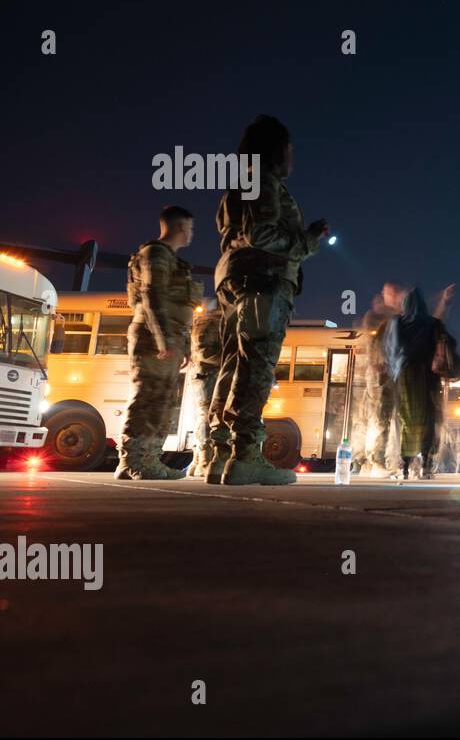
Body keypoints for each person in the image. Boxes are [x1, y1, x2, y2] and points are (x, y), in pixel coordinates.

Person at [206, 114, 328, 485]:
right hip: (264, 279)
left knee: (233, 365)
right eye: (290, 148)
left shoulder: (238, 186)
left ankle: (221, 454)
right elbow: (260, 234)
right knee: (257, 364)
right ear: (278, 150)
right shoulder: (264, 182)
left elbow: (235, 236)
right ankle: (246, 457)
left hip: (234, 279)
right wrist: (306, 241)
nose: (293, 156)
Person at [116, 205, 203, 480]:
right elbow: (152, 296)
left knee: (160, 399)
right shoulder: (156, 254)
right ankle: (138, 462)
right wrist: (163, 339)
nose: (191, 234)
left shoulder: (168, 258)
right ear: (180, 227)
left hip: (167, 336)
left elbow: (176, 306)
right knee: (150, 399)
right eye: (190, 228)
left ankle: (138, 461)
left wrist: (183, 345)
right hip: (153, 337)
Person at [385, 285, 457, 479]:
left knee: (406, 421)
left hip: (406, 378)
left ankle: (404, 467)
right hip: (428, 378)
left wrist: (395, 370)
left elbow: (391, 350)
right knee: (427, 421)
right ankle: (425, 465)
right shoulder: (432, 324)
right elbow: (444, 340)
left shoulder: (397, 323)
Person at [359, 290, 399, 477]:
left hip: (388, 380)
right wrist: (379, 363)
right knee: (380, 420)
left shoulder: (392, 320)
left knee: (385, 421)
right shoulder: (376, 319)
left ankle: (378, 461)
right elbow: (373, 345)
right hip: (380, 381)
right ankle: (376, 461)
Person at [186, 298, 223, 478]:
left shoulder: (202, 321)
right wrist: (228, 363)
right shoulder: (211, 323)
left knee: (204, 417)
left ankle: (199, 460)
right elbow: (204, 352)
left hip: (202, 375)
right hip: (208, 375)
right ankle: (205, 461)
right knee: (208, 417)